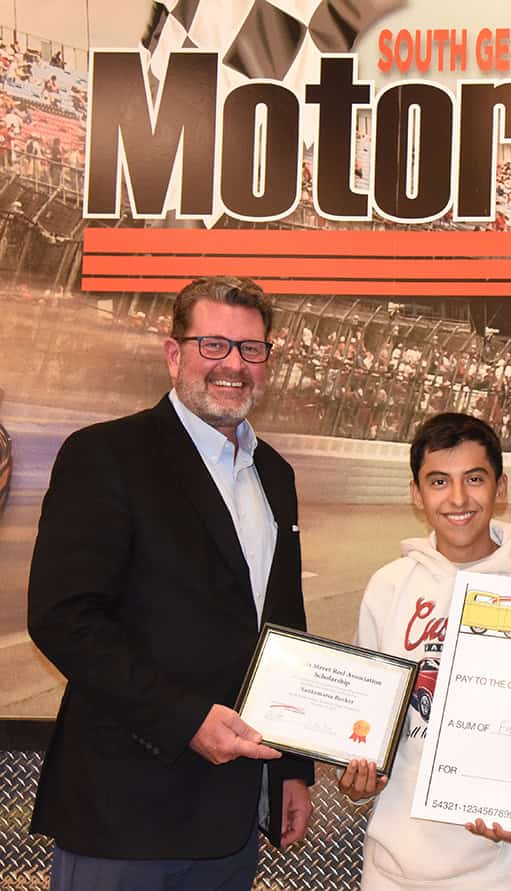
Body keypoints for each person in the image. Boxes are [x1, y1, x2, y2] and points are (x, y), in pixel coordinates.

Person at [27, 276, 314, 889]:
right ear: (173, 353)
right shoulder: (105, 454)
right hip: (123, 811)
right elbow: (65, 618)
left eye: (251, 349)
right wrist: (184, 720)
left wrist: (292, 768)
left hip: (232, 816)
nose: (233, 365)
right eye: (213, 345)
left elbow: (282, 627)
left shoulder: (274, 474)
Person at [337, 412, 511, 890]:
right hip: (392, 871)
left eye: (474, 480)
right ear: (417, 493)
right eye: (439, 481)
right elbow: (366, 723)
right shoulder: (389, 586)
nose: (458, 499)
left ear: (500, 488)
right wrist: (358, 780)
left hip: (505, 873)